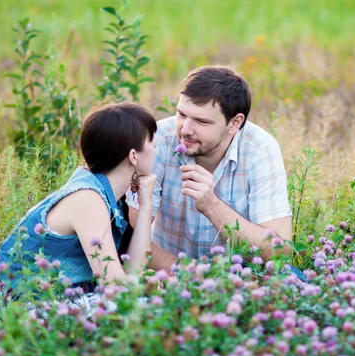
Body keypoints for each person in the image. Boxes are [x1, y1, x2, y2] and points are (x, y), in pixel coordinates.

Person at [127, 65, 300, 277]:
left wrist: (211, 206)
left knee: (292, 281)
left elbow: (279, 251)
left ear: (235, 123)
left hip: (241, 277)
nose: (185, 129)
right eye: (181, 114)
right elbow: (131, 235)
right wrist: (188, 274)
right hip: (168, 275)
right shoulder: (157, 141)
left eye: (201, 121)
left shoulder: (260, 149)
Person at [0, 102, 157, 295]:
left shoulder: (111, 198)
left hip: (53, 301)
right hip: (17, 307)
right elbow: (113, 285)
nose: (155, 146)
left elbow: (133, 271)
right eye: (152, 141)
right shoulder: (88, 198)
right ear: (134, 156)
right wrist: (147, 286)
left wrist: (145, 206)